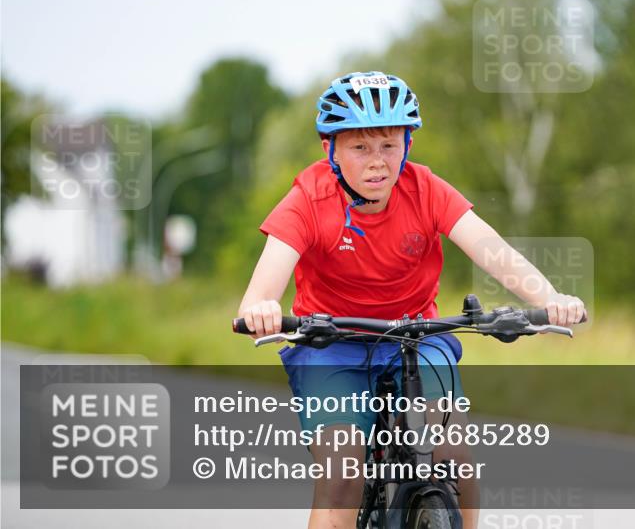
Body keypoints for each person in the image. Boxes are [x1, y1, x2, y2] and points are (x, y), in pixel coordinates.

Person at [237, 70, 587, 529]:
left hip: (416, 334)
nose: (377, 161)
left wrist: (549, 297)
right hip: (330, 343)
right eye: (360, 147)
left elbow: (492, 251)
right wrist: (261, 308)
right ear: (331, 150)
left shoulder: (424, 189)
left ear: (408, 145)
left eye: (389, 145)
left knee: (456, 460)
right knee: (341, 477)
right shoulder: (308, 200)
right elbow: (261, 290)